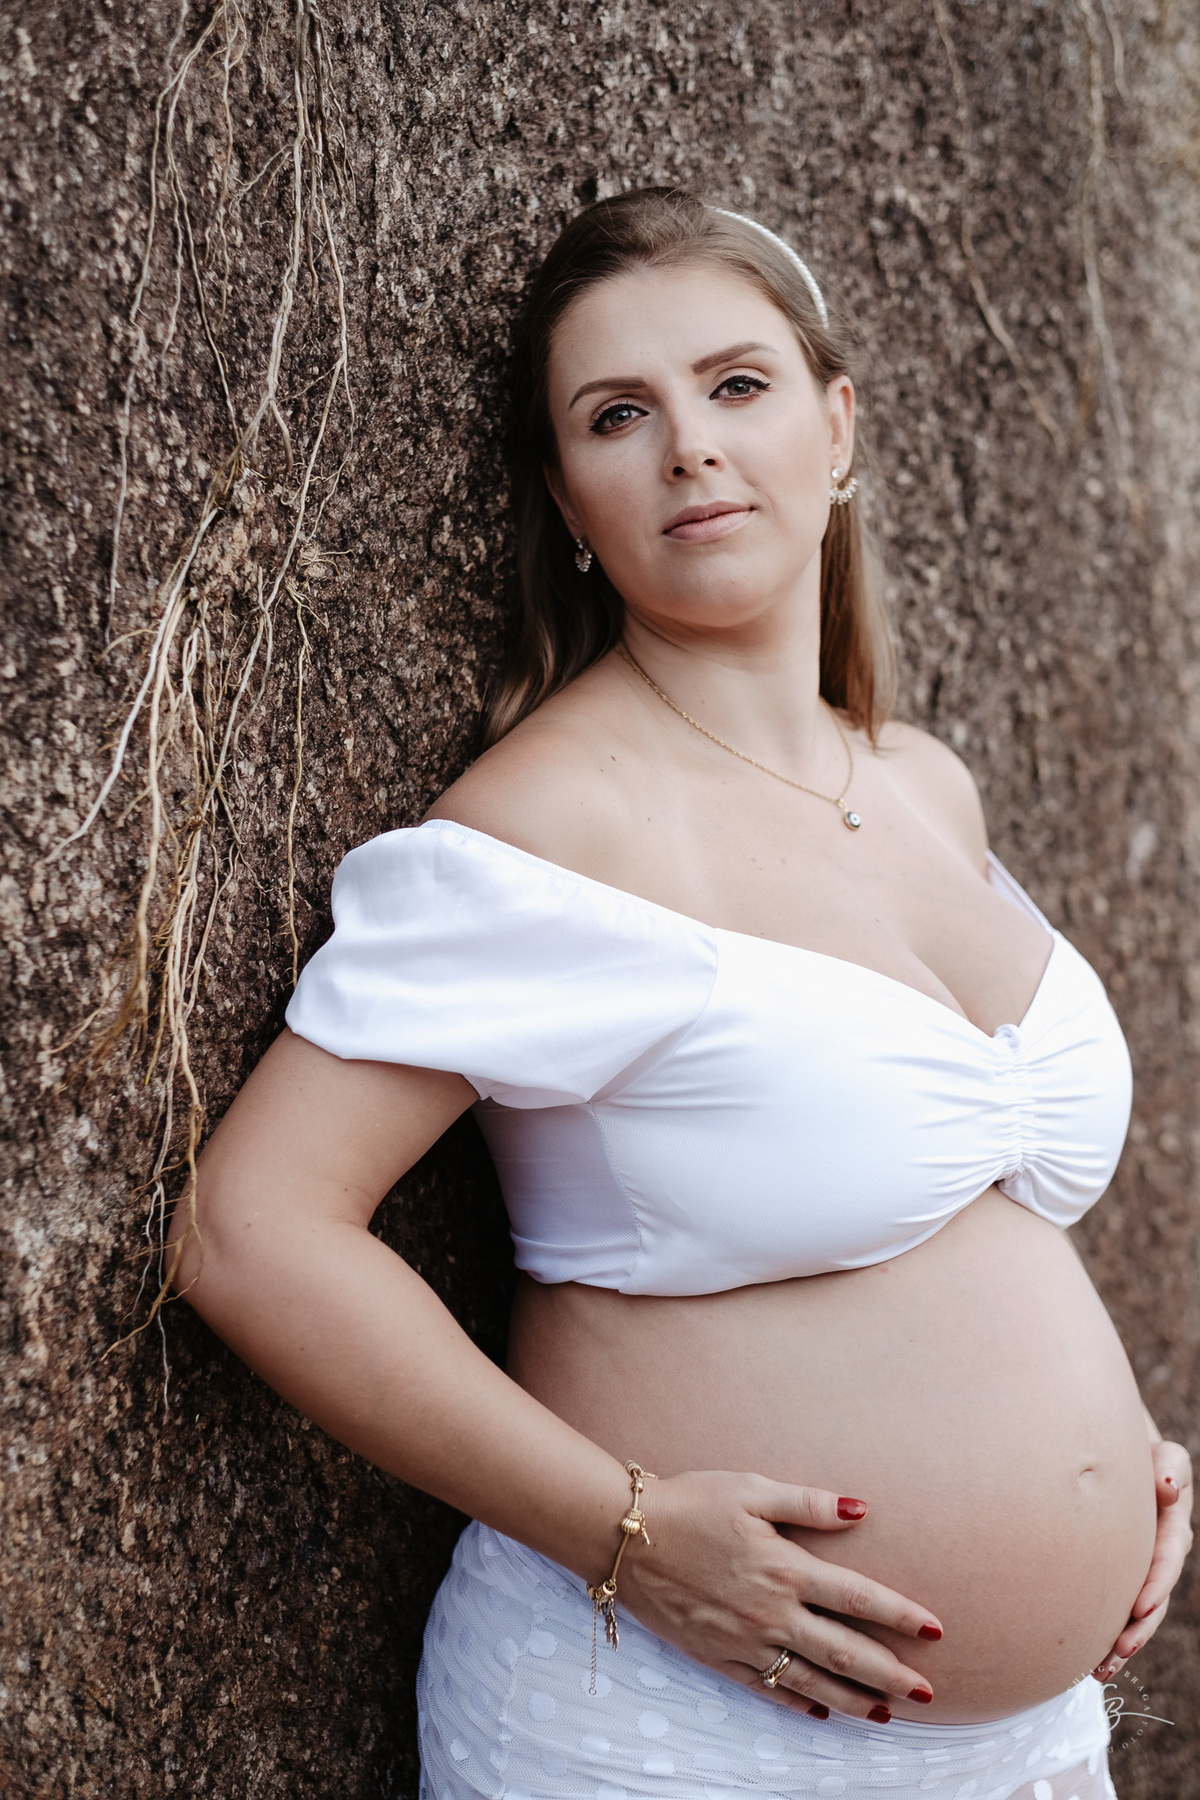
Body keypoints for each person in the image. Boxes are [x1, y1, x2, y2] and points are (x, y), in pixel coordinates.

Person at [171, 189, 1193, 1800]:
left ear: (837, 426)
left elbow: (966, 1209)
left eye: (737, 386)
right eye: (618, 415)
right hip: (677, 1730)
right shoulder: (552, 825)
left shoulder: (925, 783)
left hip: (1028, 1745)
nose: (691, 450)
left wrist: (1116, 1464)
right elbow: (252, 1233)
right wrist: (626, 1534)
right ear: (572, 504)